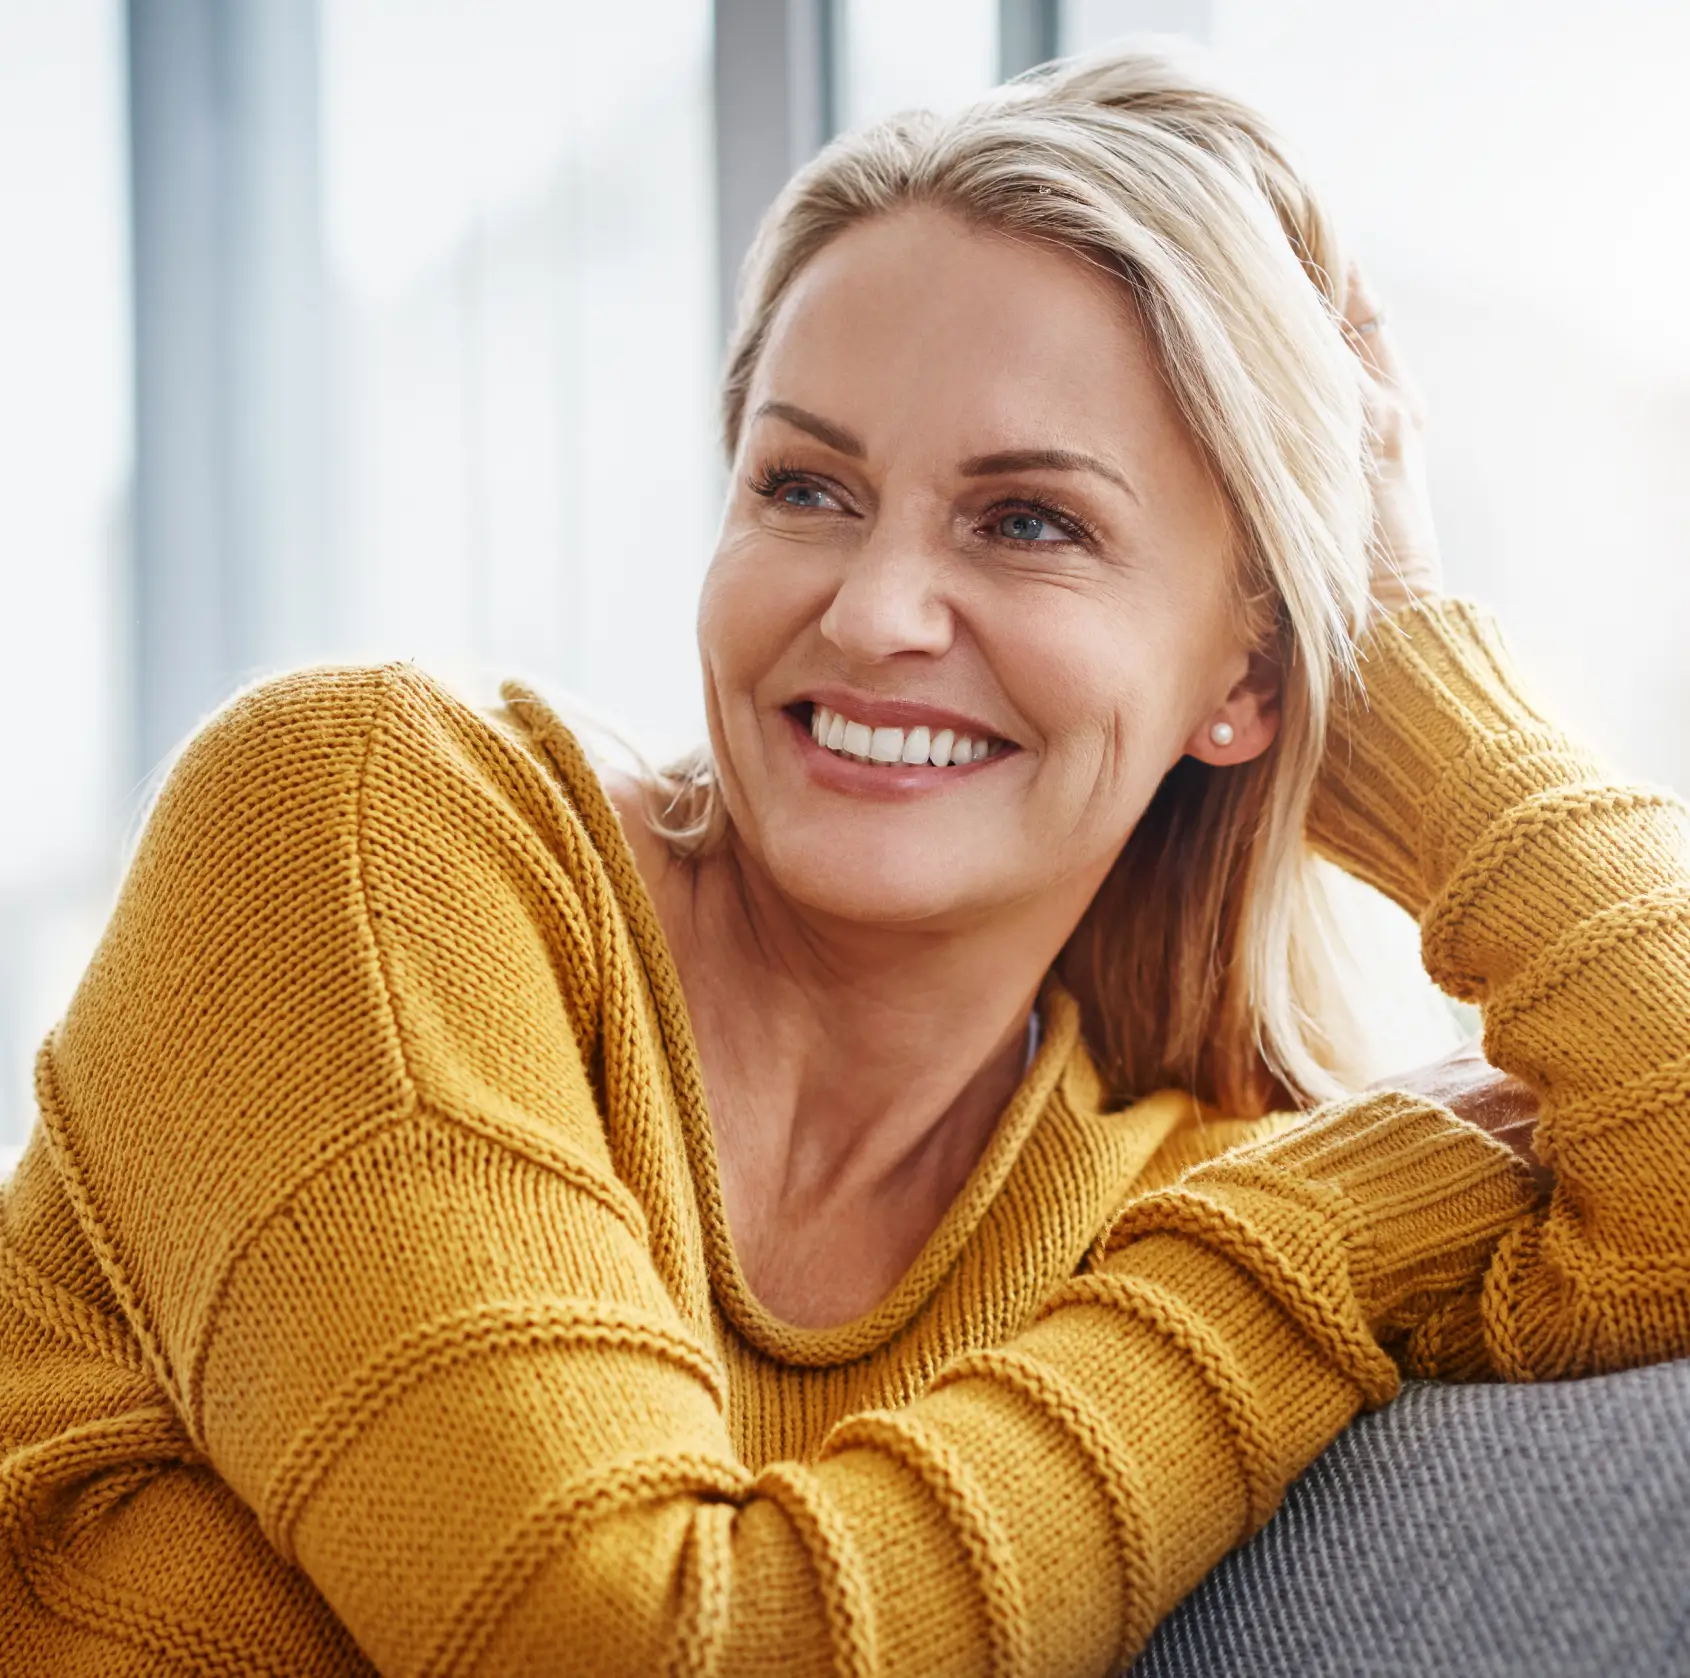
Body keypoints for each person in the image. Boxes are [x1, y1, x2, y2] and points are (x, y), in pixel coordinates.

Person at [1, 41, 1684, 1678]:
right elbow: (623, 1636)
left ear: (1240, 678)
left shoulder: (1174, 1188)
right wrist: (1299, 1258)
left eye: (1028, 520)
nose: (871, 610)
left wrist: (1390, 664)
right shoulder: (359, 830)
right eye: (805, 488)